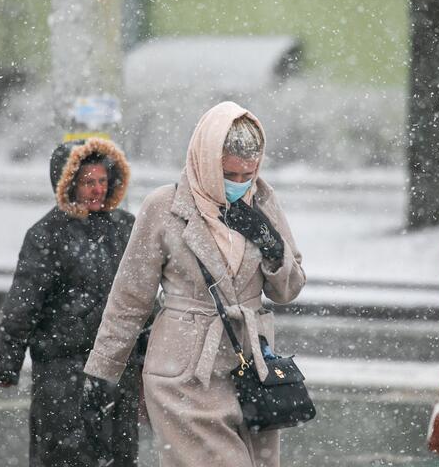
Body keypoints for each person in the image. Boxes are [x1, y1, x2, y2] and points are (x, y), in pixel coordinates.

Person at [83, 101, 305, 467]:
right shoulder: (165, 206)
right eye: (229, 174)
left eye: (247, 174)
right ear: (205, 160)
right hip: (183, 377)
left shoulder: (263, 200)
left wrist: (271, 244)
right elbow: (130, 299)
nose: (239, 184)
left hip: (251, 374)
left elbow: (288, 290)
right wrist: (102, 372)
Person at [0, 137, 144, 467]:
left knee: (120, 455)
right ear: (68, 184)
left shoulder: (126, 229)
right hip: (63, 373)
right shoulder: (47, 234)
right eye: (89, 182)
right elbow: (24, 303)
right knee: (65, 454)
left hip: (118, 369)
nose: (98, 190)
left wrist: (148, 355)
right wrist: (7, 361)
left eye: (103, 181)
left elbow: (142, 299)